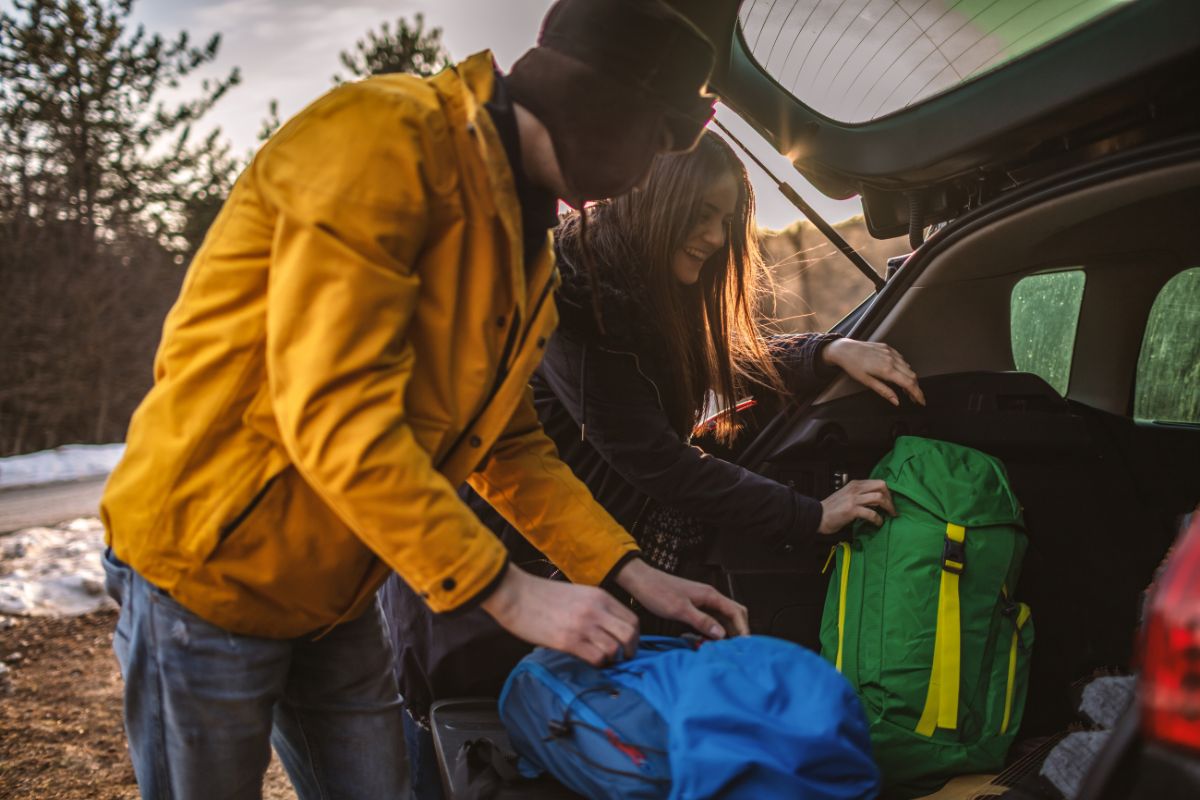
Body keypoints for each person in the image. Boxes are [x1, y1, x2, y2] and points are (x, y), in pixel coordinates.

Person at [97, 1, 750, 797]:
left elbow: (507, 447)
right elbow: (333, 409)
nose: (653, 169)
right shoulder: (384, 142)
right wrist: (506, 592)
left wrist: (627, 571)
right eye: (659, 140)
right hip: (209, 569)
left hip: (340, 584)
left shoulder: (524, 245)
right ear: (609, 110)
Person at [384, 129, 926, 798]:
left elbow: (715, 358)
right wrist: (811, 515)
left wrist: (826, 352)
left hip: (572, 571)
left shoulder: (640, 292)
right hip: (483, 588)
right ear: (653, 204)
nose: (715, 234)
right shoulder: (576, 305)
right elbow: (660, 464)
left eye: (725, 219)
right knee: (463, 767)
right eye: (701, 214)